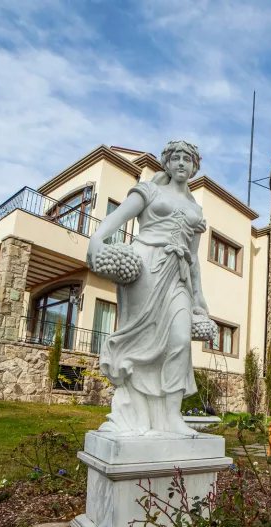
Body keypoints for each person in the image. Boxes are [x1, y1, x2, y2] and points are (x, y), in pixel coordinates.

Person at [87, 141, 209, 437]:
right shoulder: (149, 190)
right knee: (142, 339)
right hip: (146, 264)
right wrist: (97, 240)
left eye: (187, 159)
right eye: (176, 158)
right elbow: (118, 218)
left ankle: (171, 416)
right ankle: (139, 415)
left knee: (179, 340)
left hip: (177, 274)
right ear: (166, 164)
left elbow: (192, 257)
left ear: (194, 167)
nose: (182, 163)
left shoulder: (195, 208)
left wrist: (199, 297)